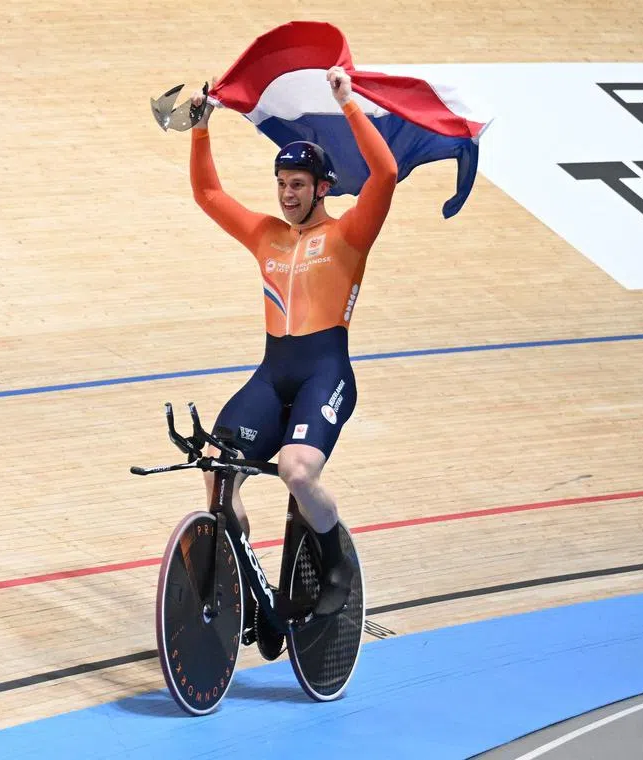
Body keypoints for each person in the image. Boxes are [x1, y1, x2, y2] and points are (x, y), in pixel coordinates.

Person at [186, 67, 397, 648]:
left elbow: (386, 173)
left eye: (299, 184)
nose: (287, 193)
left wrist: (349, 105)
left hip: (326, 372)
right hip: (274, 371)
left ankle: (335, 566)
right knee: (216, 468)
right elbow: (208, 194)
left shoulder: (350, 234)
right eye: (282, 183)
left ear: (322, 187)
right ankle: (251, 591)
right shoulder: (267, 236)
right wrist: (201, 130)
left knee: (297, 470)